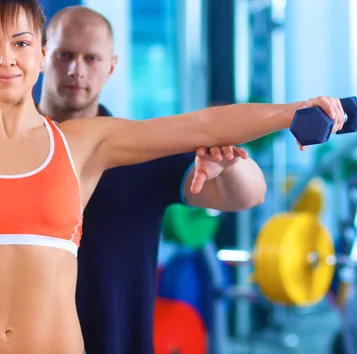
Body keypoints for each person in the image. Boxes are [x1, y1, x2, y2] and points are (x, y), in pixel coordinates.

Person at [0, 0, 345, 353]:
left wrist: (294, 111)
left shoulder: (83, 144)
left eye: (21, 43)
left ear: (39, 54)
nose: (6, 58)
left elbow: (203, 127)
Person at [37, 6, 267, 354]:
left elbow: (246, 195)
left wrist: (230, 163)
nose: (76, 70)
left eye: (91, 58)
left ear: (111, 66)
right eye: (64, 55)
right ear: (42, 55)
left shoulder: (139, 149)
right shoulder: (7, 148)